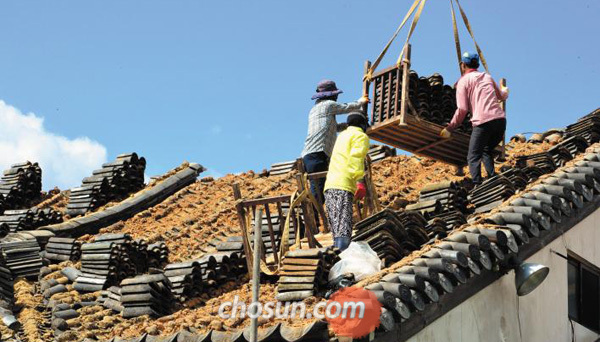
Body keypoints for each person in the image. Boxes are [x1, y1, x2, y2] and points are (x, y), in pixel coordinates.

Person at [440, 52, 509, 185]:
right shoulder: (487, 77)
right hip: (500, 122)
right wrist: (505, 90)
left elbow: (462, 109)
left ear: (463, 65)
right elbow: (501, 96)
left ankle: (477, 185)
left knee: (473, 156)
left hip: (483, 122)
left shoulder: (463, 81)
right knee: (486, 150)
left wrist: (450, 127)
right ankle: (492, 178)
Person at [301, 80, 369, 204]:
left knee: (319, 188)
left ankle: (315, 218)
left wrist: (349, 125)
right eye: (335, 94)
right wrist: (361, 101)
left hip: (311, 155)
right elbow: (346, 108)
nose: (337, 97)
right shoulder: (328, 105)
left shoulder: (316, 109)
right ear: (330, 95)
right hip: (317, 154)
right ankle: (313, 219)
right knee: (318, 191)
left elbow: (334, 128)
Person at [323, 113, 370, 251]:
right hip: (344, 184)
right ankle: (343, 261)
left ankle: (337, 261)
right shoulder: (360, 136)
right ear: (362, 125)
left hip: (330, 185)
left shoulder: (342, 136)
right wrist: (359, 181)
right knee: (344, 227)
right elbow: (356, 158)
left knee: (336, 228)